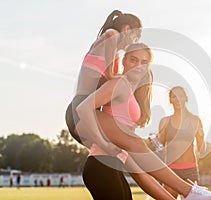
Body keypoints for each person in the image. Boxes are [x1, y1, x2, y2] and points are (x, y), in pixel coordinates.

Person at [76, 43, 211, 200]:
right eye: (133, 60)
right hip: (101, 165)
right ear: (123, 62)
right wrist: (102, 141)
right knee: (138, 144)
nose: (138, 66)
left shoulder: (130, 91)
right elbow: (83, 109)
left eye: (144, 62)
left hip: (113, 166)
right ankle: (190, 191)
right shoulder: (119, 84)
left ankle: (190, 192)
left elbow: (140, 172)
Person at [65, 10, 175, 200]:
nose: (133, 41)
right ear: (126, 29)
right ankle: (187, 191)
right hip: (81, 106)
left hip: (87, 109)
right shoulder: (111, 35)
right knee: (133, 145)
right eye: (136, 35)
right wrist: (125, 82)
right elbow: (112, 75)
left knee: (127, 155)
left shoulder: (112, 52)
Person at [156, 86, 206, 198]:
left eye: (181, 96)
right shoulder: (165, 121)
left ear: (186, 98)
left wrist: (201, 137)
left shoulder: (195, 120)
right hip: (171, 170)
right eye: (174, 96)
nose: (178, 99)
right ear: (170, 100)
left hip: (190, 170)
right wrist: (155, 142)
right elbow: (161, 151)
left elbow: (201, 150)